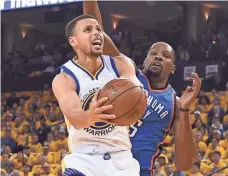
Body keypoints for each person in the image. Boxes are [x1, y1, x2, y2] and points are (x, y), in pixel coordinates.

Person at [83, 1, 201, 175]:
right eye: (153, 54)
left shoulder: (175, 103)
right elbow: (95, 33)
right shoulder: (127, 73)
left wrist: (184, 110)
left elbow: (185, 164)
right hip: (104, 164)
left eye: (165, 56)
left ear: (173, 68)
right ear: (145, 60)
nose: (158, 57)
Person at [52, 14, 143, 176]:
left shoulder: (121, 65)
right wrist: (91, 115)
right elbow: (76, 118)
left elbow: (136, 92)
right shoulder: (64, 78)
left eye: (99, 29)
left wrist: (139, 98)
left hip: (121, 158)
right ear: (74, 41)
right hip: (84, 160)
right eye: (88, 30)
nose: (96, 33)